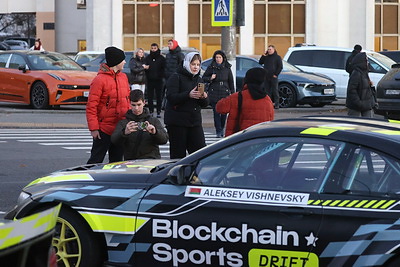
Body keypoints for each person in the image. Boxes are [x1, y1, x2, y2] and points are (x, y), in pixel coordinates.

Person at [86, 46, 131, 164]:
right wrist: (94, 128)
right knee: (95, 161)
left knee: (117, 163)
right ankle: (89, 181)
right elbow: (92, 106)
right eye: (123, 60)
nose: (125, 62)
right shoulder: (99, 80)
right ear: (116, 62)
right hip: (103, 129)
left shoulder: (124, 77)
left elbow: (128, 101)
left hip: (120, 128)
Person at [164, 52, 209, 159]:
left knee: (200, 154)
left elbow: (204, 104)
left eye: (198, 65)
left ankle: (195, 175)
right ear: (187, 63)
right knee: (178, 156)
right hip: (178, 123)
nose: (195, 67)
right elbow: (171, 97)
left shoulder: (199, 79)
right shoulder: (176, 77)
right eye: (193, 64)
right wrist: (188, 95)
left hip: (194, 122)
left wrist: (204, 97)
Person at [216, 68, 275, 137]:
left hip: (239, 140)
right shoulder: (267, 100)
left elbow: (219, 108)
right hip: (260, 139)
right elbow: (270, 120)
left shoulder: (238, 97)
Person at [111, 89, 168, 160]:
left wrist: (155, 132)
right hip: (131, 160)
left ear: (144, 103)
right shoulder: (124, 123)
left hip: (150, 159)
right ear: (130, 103)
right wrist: (124, 133)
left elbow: (164, 140)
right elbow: (114, 141)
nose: (136, 108)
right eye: (133, 105)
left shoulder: (153, 121)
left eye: (139, 104)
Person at [202, 50, 235, 137]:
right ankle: (218, 130)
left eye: (219, 57)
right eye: (216, 57)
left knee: (224, 113)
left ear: (223, 58)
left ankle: (222, 128)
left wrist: (233, 93)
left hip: (224, 92)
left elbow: (231, 81)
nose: (218, 59)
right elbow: (204, 78)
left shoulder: (227, 68)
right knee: (216, 112)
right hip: (214, 92)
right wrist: (210, 78)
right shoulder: (211, 67)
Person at [346, 52, 374, 117]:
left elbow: (368, 89)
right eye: (366, 60)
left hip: (366, 105)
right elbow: (352, 90)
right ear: (362, 62)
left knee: (369, 124)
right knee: (354, 124)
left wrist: (372, 102)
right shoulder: (356, 73)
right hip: (356, 106)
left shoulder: (365, 73)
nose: (368, 63)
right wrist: (359, 103)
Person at [145, 43, 166, 118]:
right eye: (152, 48)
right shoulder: (147, 58)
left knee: (159, 96)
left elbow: (164, 68)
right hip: (150, 80)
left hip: (159, 80)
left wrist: (161, 76)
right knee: (150, 96)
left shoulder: (161, 58)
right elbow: (145, 67)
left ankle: (158, 111)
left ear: (157, 48)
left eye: (155, 48)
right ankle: (151, 111)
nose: (153, 49)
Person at [258, 45, 283, 109]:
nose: (269, 51)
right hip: (266, 76)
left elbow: (280, 67)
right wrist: (263, 55)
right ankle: (268, 104)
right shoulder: (266, 57)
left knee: (275, 90)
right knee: (267, 91)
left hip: (273, 76)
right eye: (268, 49)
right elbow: (260, 62)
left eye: (270, 49)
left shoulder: (277, 57)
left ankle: (277, 104)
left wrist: (276, 74)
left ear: (273, 50)